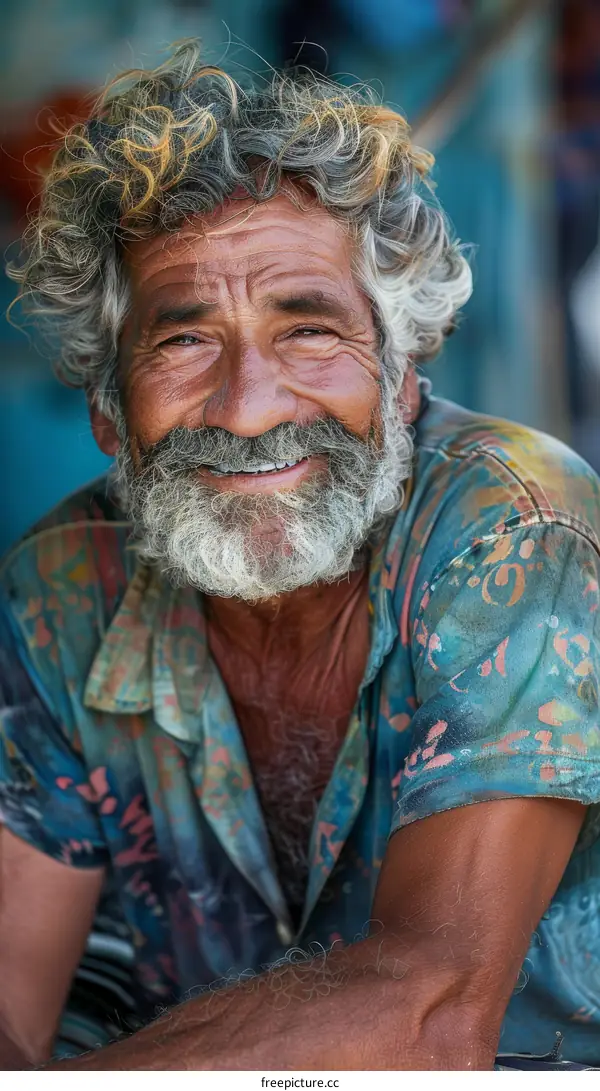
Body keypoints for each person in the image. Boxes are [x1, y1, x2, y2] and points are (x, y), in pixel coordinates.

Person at [1, 41, 599, 1072]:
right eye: (183, 342)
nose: (246, 411)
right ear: (107, 412)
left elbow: (432, 1007)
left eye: (309, 330)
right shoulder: (61, 586)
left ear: (403, 381)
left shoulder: (516, 523)